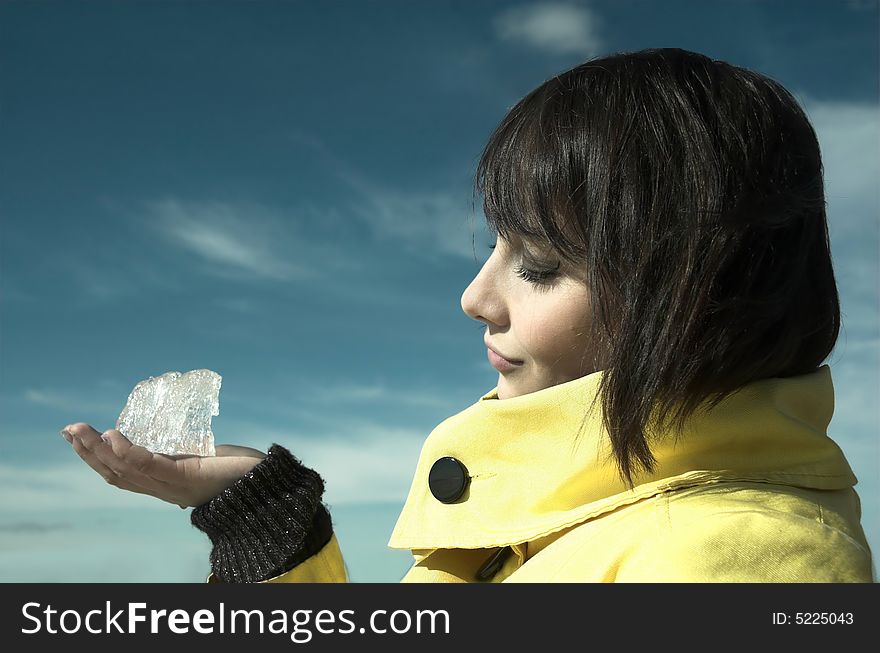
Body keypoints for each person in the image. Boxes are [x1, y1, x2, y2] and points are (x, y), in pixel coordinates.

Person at [61, 47, 875, 583]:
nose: (475, 298)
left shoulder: (736, 568)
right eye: (497, 251)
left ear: (698, 289)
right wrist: (267, 523)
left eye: (540, 266)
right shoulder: (566, 515)